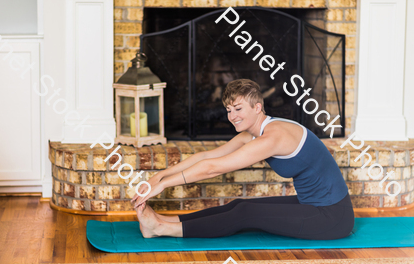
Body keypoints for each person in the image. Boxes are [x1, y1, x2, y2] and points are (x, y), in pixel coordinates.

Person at [132, 79, 354, 240]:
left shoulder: (273, 137)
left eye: (238, 108)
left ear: (257, 107)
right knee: (239, 204)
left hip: (332, 217)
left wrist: (162, 185)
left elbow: (211, 168)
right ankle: (166, 220)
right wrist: (160, 175)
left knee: (245, 214)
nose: (232, 116)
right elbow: (208, 156)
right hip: (312, 204)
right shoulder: (256, 132)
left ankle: (162, 229)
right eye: (229, 110)